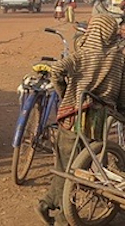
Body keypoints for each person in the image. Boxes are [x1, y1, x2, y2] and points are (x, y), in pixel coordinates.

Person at [36, 15, 125, 226]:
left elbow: (57, 70)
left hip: (73, 116)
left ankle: (51, 207)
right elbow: (122, 92)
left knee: (65, 163)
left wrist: (65, 93)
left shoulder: (83, 53)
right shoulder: (118, 58)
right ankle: (56, 210)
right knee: (75, 167)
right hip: (99, 120)